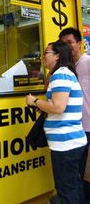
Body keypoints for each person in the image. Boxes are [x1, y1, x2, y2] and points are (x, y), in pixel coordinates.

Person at [26, 41, 87, 204]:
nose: (43, 56)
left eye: (46, 53)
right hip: (70, 142)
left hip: (66, 144)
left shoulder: (60, 74)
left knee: (66, 191)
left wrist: (35, 101)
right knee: (73, 187)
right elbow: (59, 107)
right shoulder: (64, 73)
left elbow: (58, 107)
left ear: (57, 56)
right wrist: (45, 106)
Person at [59, 27, 90, 200]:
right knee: (78, 175)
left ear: (79, 43)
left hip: (89, 127)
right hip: (75, 130)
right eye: (63, 44)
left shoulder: (87, 62)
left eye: (70, 42)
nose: (67, 47)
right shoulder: (66, 68)